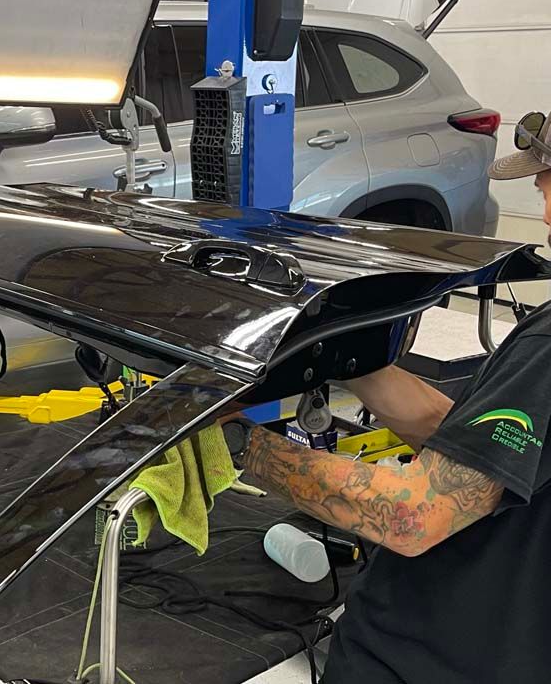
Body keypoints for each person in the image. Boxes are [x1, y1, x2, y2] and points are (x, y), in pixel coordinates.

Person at [231, 111, 551, 683]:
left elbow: (411, 515)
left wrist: (239, 447)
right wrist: (351, 361)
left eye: (546, 181)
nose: (541, 201)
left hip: (431, 658)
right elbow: (470, 443)